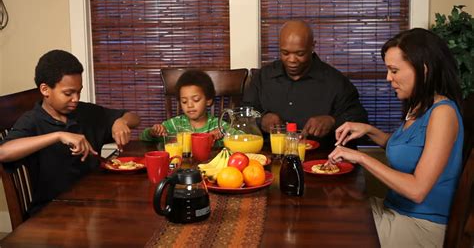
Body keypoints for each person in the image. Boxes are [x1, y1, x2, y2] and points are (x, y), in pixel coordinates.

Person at [328, 28, 464, 247]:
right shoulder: (418, 105)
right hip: (393, 210)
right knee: (331, 211)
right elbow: (407, 147)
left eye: (394, 70)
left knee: (340, 233)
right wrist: (368, 130)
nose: (388, 78)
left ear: (424, 70)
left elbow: (417, 190)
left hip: (420, 225)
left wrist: (361, 157)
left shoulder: (443, 113)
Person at [0, 49, 140, 214]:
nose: (76, 99)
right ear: (45, 90)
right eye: (68, 93)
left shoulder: (85, 112)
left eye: (78, 91)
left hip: (93, 204)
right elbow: (3, 152)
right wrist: (58, 135)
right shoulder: (33, 121)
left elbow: (134, 118)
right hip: (52, 212)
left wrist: (120, 121)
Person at [242, 20, 368, 149]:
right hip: (272, 156)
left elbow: (360, 118)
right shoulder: (263, 77)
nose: (291, 60)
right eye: (285, 53)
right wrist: (261, 119)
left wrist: (332, 121)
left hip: (322, 159)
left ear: (312, 46)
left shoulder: (335, 81)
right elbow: (242, 113)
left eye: (300, 54)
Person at [140, 70, 226, 147]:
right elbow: (143, 137)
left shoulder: (218, 125)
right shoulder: (174, 125)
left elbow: (238, 136)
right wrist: (153, 132)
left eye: (196, 100)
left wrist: (224, 133)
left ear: (208, 100)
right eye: (184, 101)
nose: (189, 105)